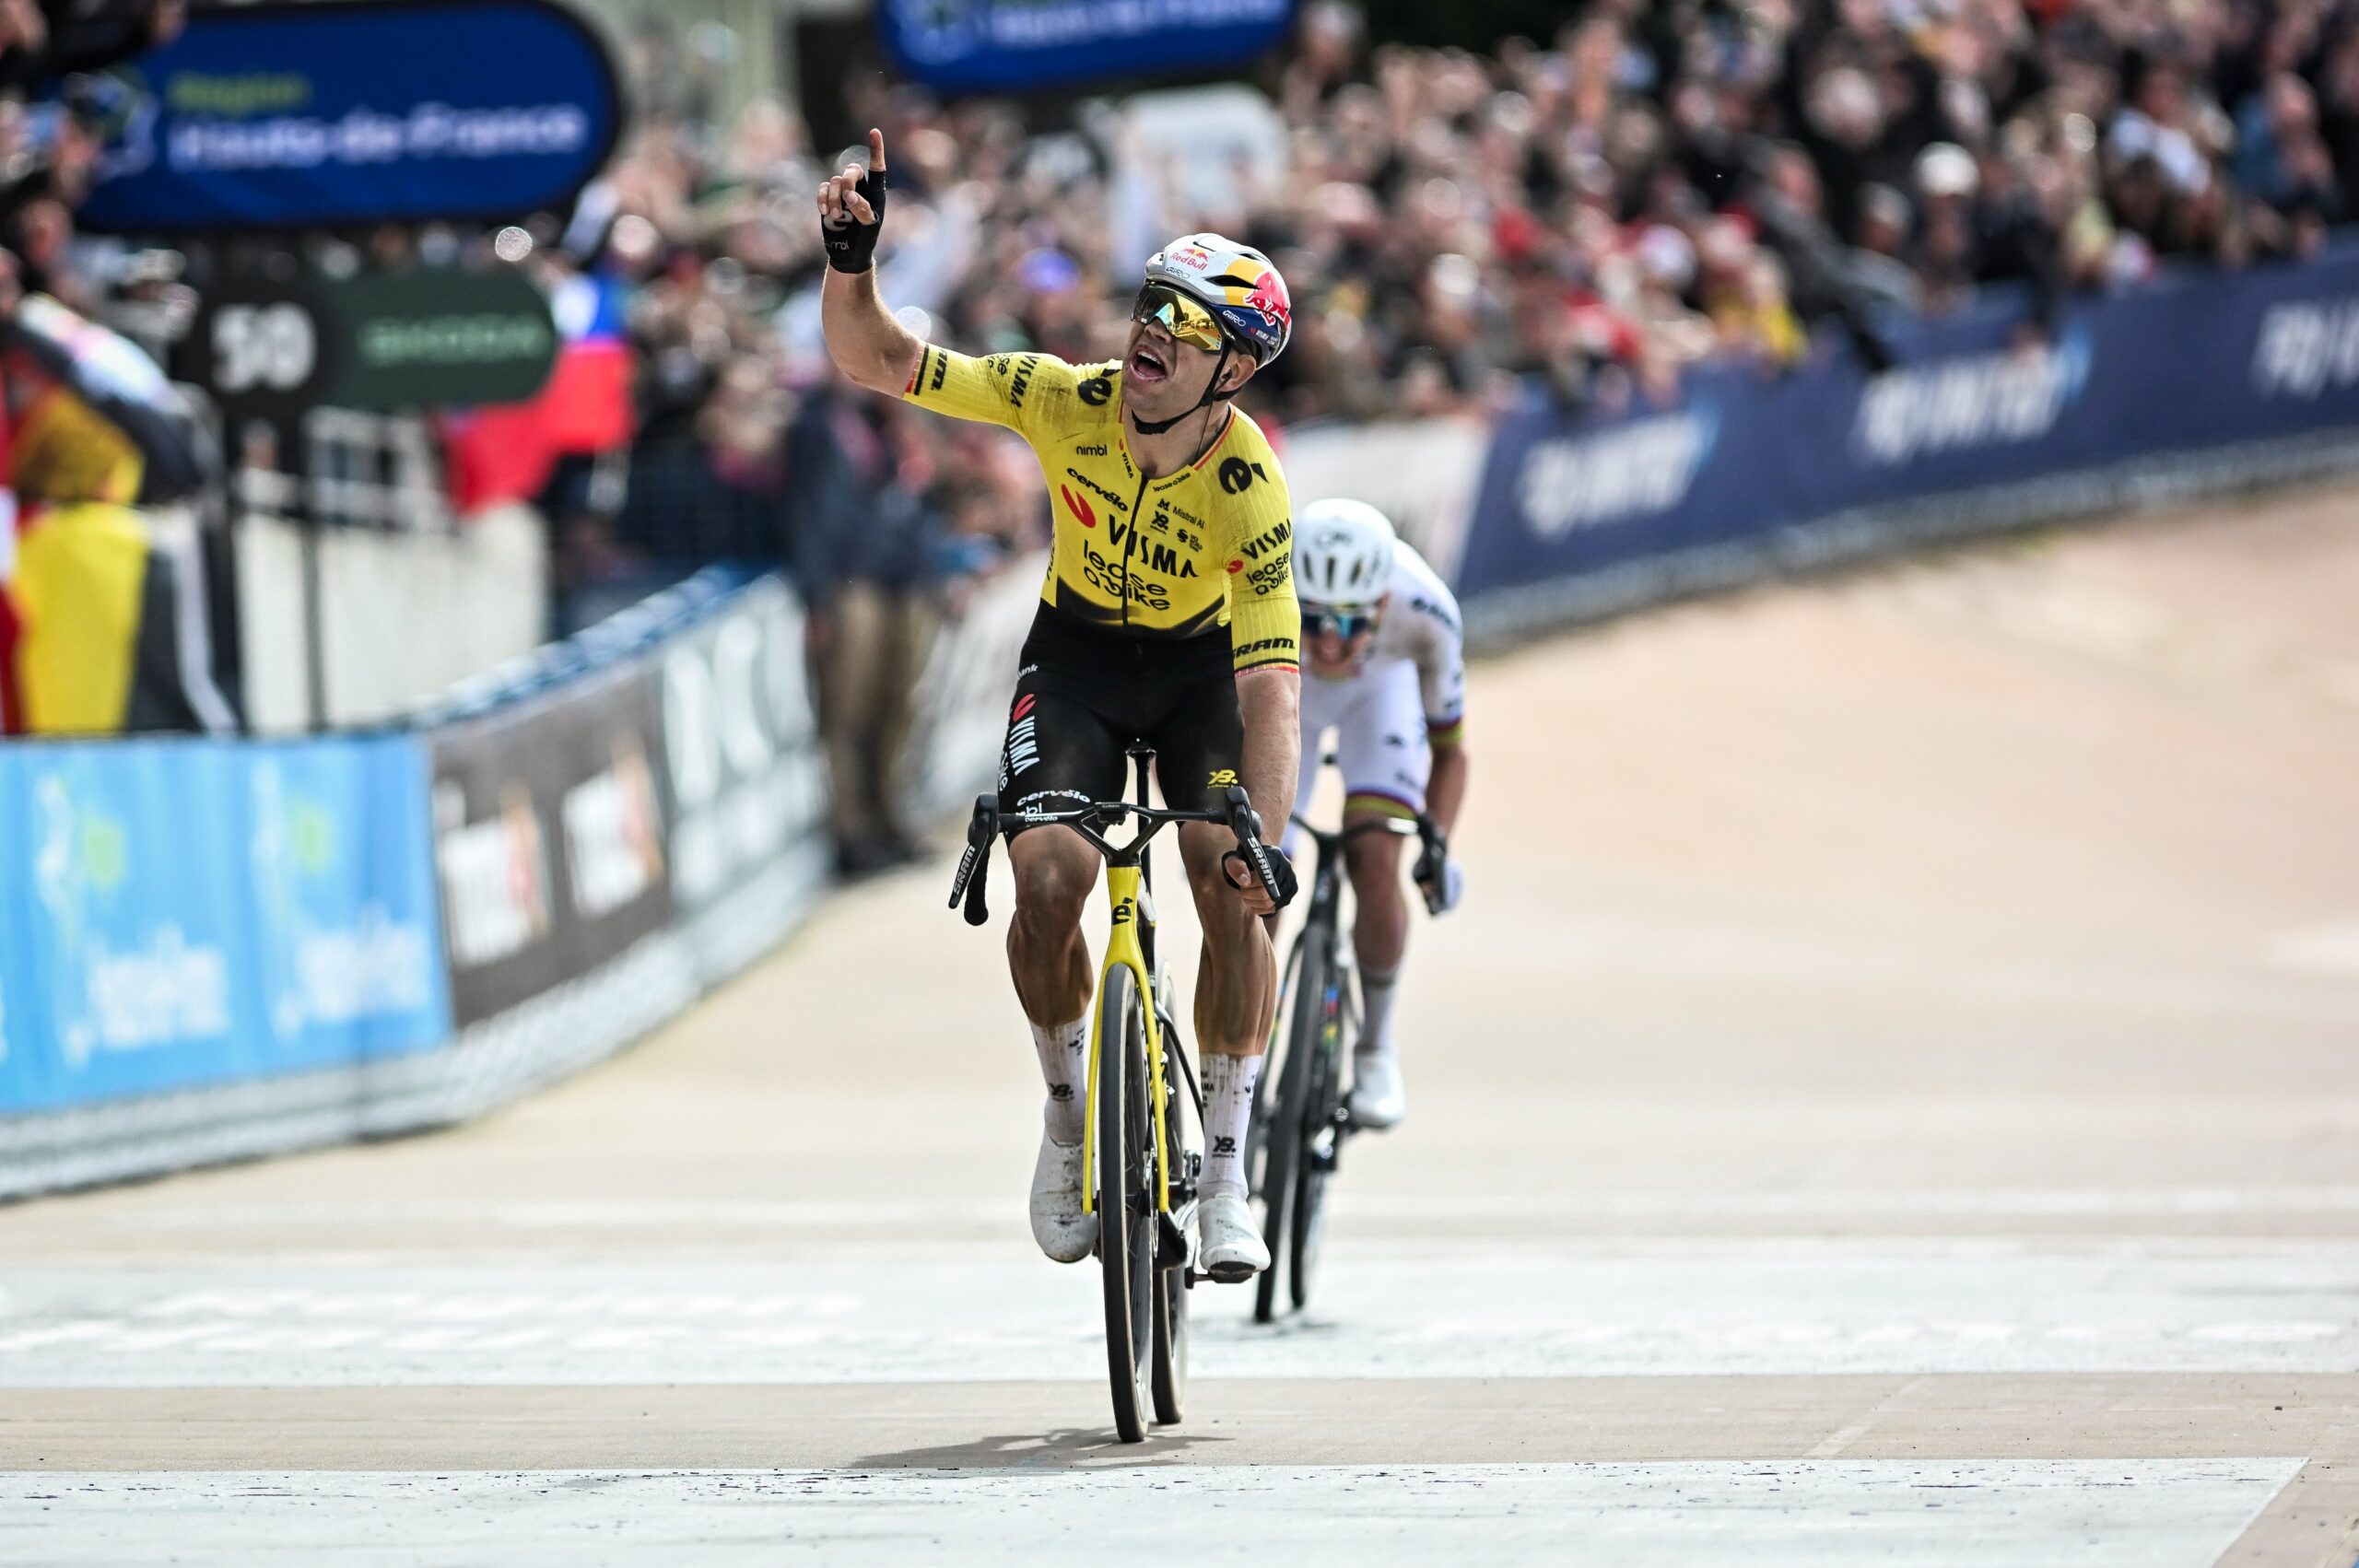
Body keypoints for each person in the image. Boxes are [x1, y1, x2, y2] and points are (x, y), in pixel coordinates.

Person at [817, 131, 1302, 1281]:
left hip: (1200, 677)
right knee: (1044, 884)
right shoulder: (1061, 397)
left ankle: (1225, 1169)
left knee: (1229, 887)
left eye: (1187, 324)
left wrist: (1266, 844)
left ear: (1233, 372)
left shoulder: (1249, 488)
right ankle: (1070, 1110)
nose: (1152, 330)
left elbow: (1271, 687)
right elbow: (879, 359)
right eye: (1151, 303)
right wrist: (850, 260)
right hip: (1077, 659)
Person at [1286, 498, 1468, 1129]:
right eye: (1312, 618)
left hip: (1381, 692)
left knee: (1374, 855)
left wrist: (1436, 844)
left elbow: (1450, 752)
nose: (1329, 640)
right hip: (1288, 690)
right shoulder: (1258, 582)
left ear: (1382, 604)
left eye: (1347, 620)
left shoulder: (1427, 608)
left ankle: (1375, 1047)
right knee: (1260, 869)